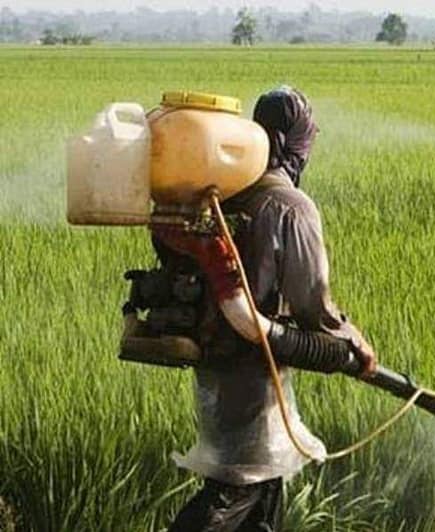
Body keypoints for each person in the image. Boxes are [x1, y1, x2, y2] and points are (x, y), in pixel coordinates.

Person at [153, 86, 377, 531]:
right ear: (285, 142)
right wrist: (352, 343)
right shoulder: (289, 206)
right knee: (238, 486)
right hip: (252, 365)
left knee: (260, 486)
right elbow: (314, 306)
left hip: (215, 360)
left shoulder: (227, 194)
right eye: (304, 140)